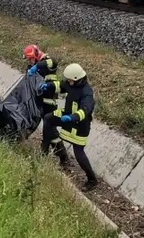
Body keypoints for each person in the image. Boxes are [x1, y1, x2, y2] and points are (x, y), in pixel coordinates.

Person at [39, 63, 99, 191]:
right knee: (48, 119)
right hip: (67, 115)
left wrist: (73, 117)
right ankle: (43, 151)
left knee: (79, 152)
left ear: (77, 79)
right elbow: (60, 86)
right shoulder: (72, 83)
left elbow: (85, 110)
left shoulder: (86, 93)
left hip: (79, 124)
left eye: (70, 80)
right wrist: (48, 86)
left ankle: (92, 179)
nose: (68, 82)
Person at [22, 44, 60, 116]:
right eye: (28, 60)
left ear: (35, 55)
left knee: (49, 120)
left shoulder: (47, 60)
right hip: (40, 97)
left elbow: (53, 62)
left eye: (31, 59)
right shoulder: (32, 66)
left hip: (50, 97)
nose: (29, 61)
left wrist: (36, 66)